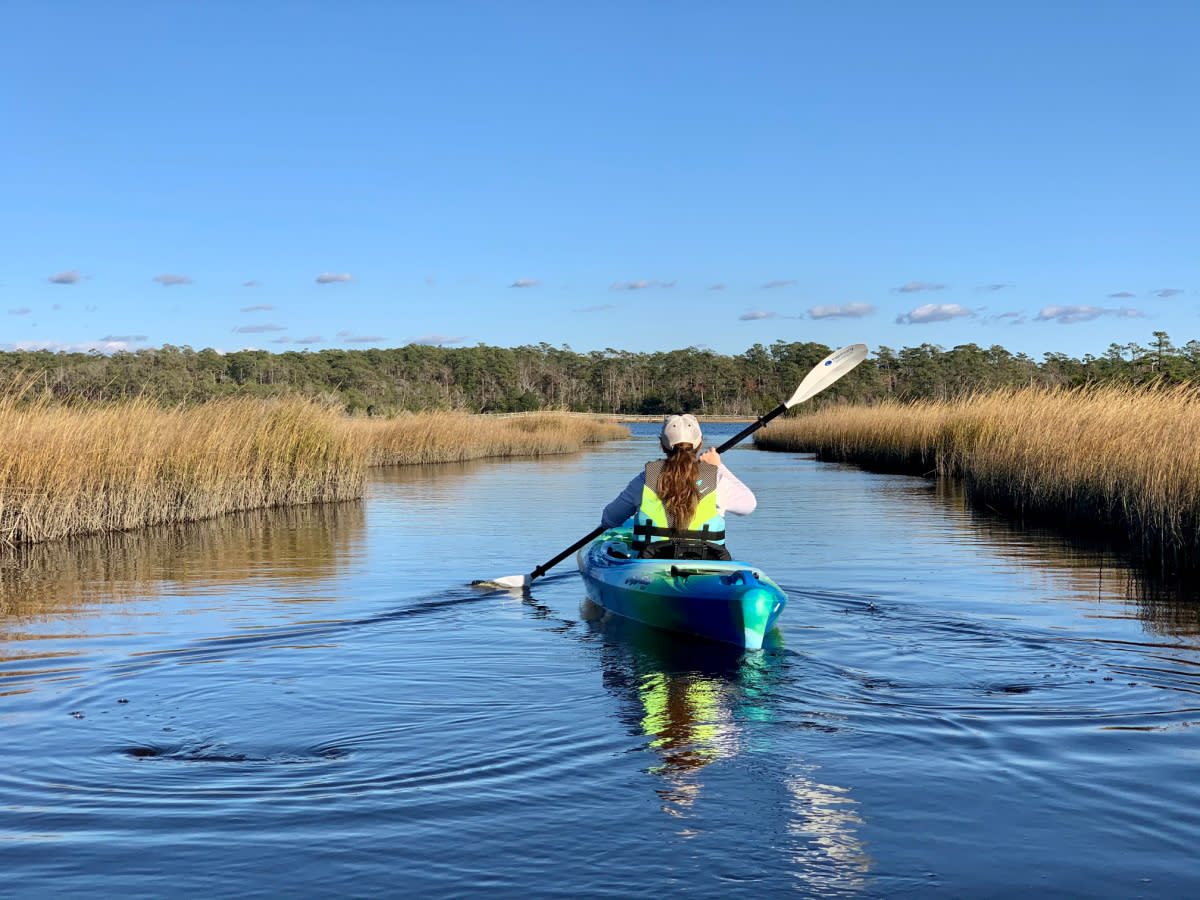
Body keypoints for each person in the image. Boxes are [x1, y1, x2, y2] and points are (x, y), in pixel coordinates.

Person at [601, 414, 757, 560]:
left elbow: (609, 519)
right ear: (700, 443)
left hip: (649, 566)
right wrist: (718, 466)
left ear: (662, 445)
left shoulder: (645, 479)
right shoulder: (716, 479)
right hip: (707, 565)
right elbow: (749, 506)